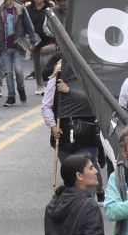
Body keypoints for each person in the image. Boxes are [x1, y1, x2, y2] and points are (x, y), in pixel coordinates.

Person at [41, 52, 102, 187]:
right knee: (71, 177)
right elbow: (46, 105)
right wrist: (52, 126)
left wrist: (70, 91)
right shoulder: (57, 77)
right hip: (64, 136)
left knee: (86, 175)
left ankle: (89, 202)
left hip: (86, 134)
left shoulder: (90, 75)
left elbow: (96, 101)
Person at [0, 0, 37, 105]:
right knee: (8, 73)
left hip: (18, 46)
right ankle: (11, 96)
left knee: (19, 70)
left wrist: (33, 40)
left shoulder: (20, 8)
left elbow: (29, 25)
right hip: (5, 47)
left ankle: (21, 89)